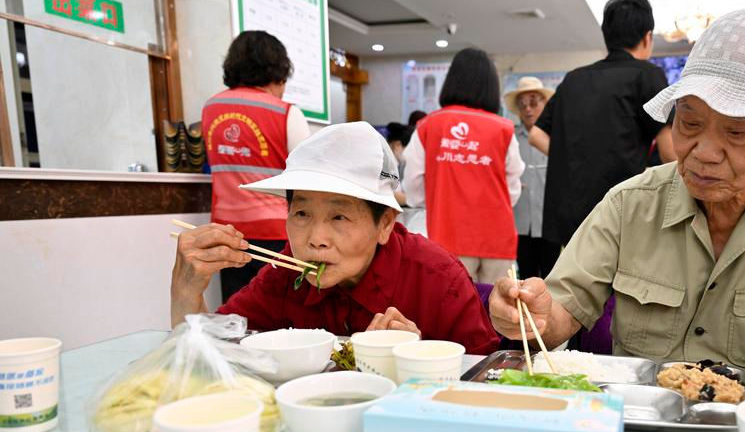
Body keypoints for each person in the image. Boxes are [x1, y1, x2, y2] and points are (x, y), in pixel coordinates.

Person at [490, 10, 745, 393]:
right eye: (689, 123)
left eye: (736, 133)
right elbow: (561, 312)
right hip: (640, 424)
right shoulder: (629, 204)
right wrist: (532, 314)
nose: (704, 152)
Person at [170, 122, 500, 355]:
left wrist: (417, 361)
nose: (316, 239)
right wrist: (186, 292)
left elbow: (486, 383)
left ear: (385, 224)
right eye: (302, 213)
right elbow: (212, 356)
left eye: (339, 217)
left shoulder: (438, 279)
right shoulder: (285, 273)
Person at [529, 0, 673, 248]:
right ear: (647, 37)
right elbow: (670, 150)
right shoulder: (647, 75)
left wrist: (572, 157)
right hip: (622, 209)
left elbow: (536, 135)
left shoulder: (574, 79)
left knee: (578, 273)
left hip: (572, 214)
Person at [202, 30, 311, 302]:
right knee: (280, 312)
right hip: (277, 234)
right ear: (278, 71)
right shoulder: (286, 112)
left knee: (236, 312)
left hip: (227, 231)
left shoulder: (210, 108)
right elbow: (308, 174)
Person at [403, 48, 525, 284]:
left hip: (447, 236)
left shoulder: (428, 126)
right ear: (491, 86)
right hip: (498, 239)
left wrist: (438, 202)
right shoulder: (503, 129)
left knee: (453, 303)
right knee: (498, 304)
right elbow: (513, 187)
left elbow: (413, 185)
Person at [503, 76, 560, 279]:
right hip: (520, 222)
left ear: (544, 104)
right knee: (525, 277)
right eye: (522, 104)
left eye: (534, 103)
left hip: (550, 222)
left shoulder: (557, 136)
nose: (528, 109)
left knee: (552, 278)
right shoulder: (510, 139)